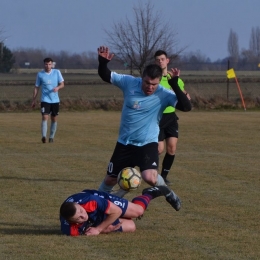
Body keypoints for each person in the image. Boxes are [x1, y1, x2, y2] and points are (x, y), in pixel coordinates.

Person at [97, 45, 191, 211]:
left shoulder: (163, 93)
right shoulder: (129, 83)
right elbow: (106, 75)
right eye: (147, 83)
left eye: (154, 84)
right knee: (110, 179)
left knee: (150, 178)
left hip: (147, 143)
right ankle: (96, 206)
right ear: (142, 78)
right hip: (124, 143)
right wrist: (102, 63)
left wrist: (174, 84)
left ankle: (169, 194)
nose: (150, 87)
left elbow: (186, 106)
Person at [60, 185, 172, 236]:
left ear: (78, 205)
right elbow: (85, 231)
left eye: (81, 211)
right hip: (95, 215)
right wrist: (106, 229)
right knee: (131, 226)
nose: (83, 216)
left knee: (138, 211)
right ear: (70, 221)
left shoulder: (91, 201)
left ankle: (150, 192)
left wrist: (99, 229)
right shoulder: (69, 230)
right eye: (78, 218)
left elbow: (117, 211)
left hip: (101, 200)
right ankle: (124, 213)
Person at [154, 50, 191, 185]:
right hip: (157, 117)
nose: (160, 61)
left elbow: (181, 93)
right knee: (159, 149)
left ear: (167, 61)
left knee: (172, 148)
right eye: (157, 60)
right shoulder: (155, 78)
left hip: (171, 117)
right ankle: (151, 172)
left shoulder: (175, 79)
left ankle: (163, 176)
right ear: (155, 62)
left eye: (162, 59)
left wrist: (186, 95)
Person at [31, 57, 64, 143]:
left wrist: (58, 87)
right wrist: (34, 100)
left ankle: (51, 137)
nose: (48, 66)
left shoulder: (57, 72)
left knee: (54, 118)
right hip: (45, 100)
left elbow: (62, 84)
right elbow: (36, 87)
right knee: (45, 116)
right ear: (44, 64)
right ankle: (44, 136)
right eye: (46, 64)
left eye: (49, 64)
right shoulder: (40, 74)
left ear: (52, 64)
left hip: (55, 100)